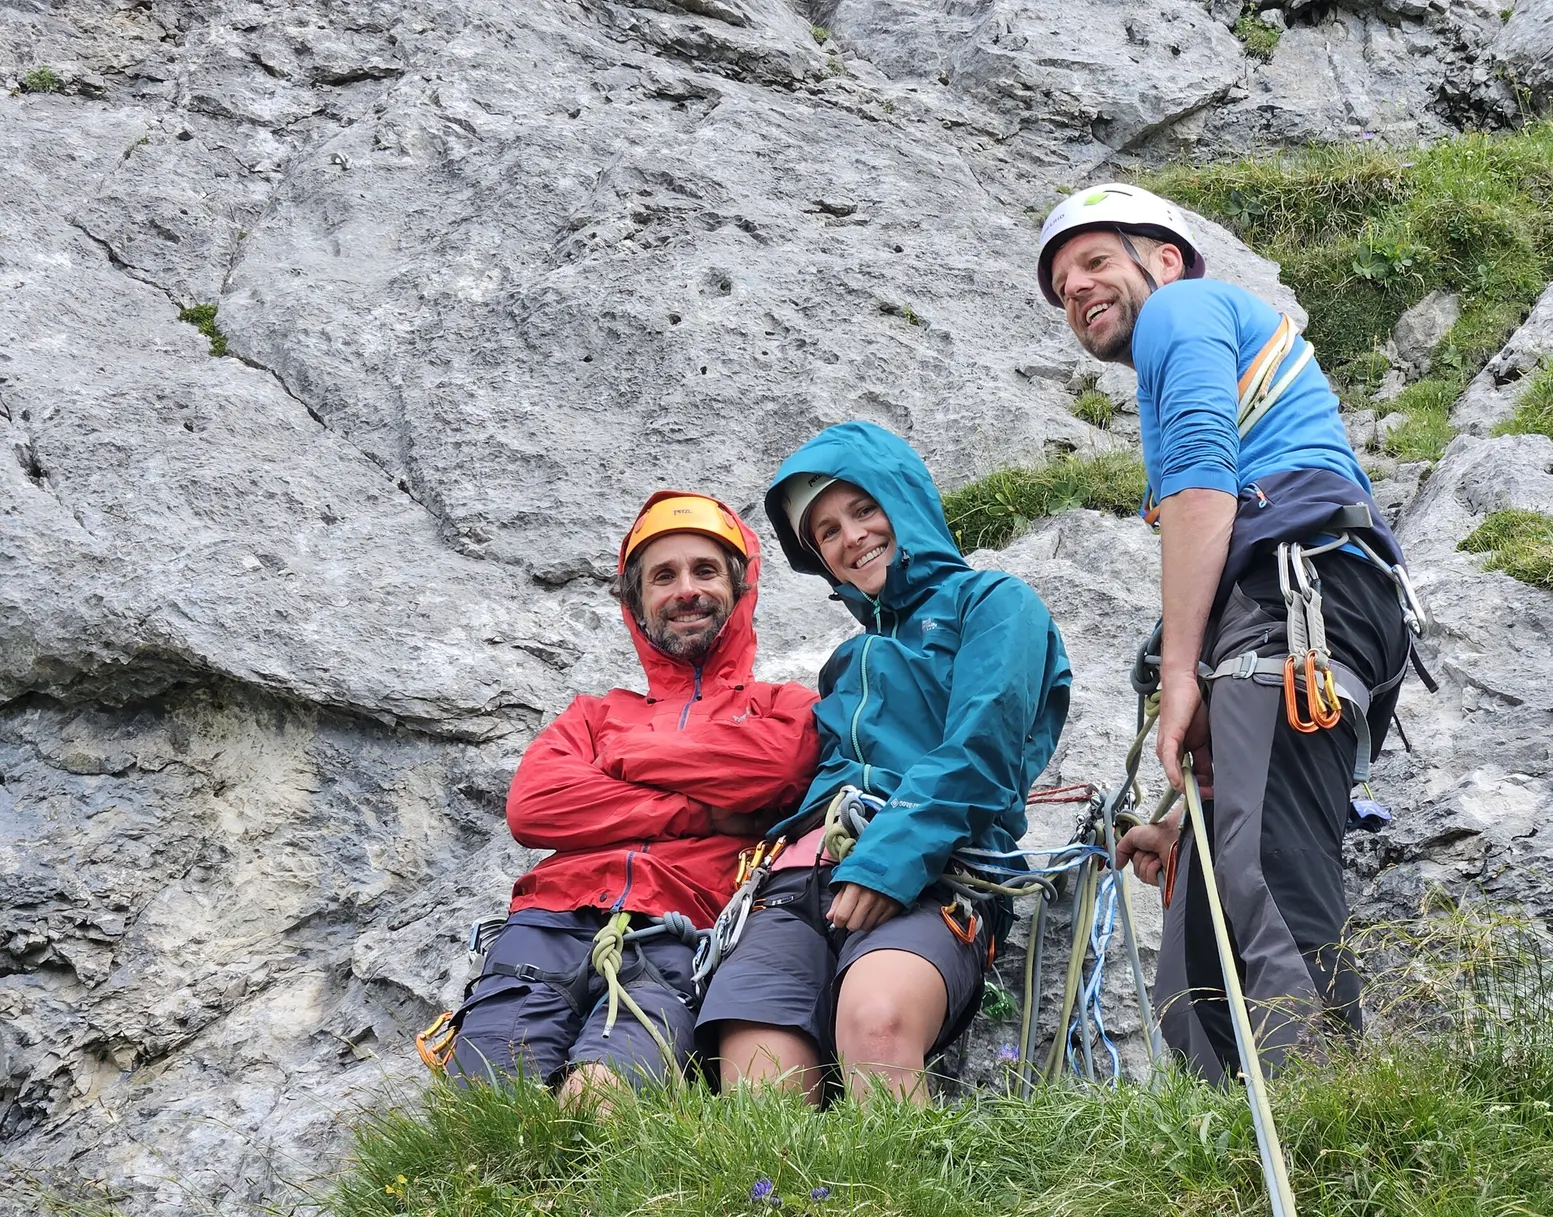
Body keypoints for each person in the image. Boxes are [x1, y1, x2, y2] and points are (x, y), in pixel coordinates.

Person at [1037, 183, 1420, 1076]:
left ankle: (1335, 1126)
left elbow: (1203, 479)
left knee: (1269, 890)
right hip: (1285, 611)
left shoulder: (1184, 307)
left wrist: (1179, 678)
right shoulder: (1180, 347)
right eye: (1062, 287)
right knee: (1194, 966)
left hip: (1297, 595)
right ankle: (1236, 1168)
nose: (1077, 291)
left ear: (1162, 257)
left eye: (1095, 262)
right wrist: (1185, 809)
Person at [696, 421, 1072, 1104]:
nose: (852, 537)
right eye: (828, 532)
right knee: (757, 1092)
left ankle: (907, 1215)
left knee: (878, 1025)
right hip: (796, 883)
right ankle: (791, 1214)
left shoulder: (993, 604)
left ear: (905, 502)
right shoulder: (845, 663)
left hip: (934, 871)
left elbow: (981, 747)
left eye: (864, 509)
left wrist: (887, 859)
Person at [443, 492, 819, 1107]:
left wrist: (627, 761)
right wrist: (705, 812)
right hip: (546, 924)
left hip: (678, 931)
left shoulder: (784, 706)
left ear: (741, 587)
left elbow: (776, 770)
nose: (685, 590)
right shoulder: (593, 713)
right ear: (635, 602)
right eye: (662, 577)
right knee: (484, 1118)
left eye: (705, 571)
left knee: (602, 1100)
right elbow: (535, 807)